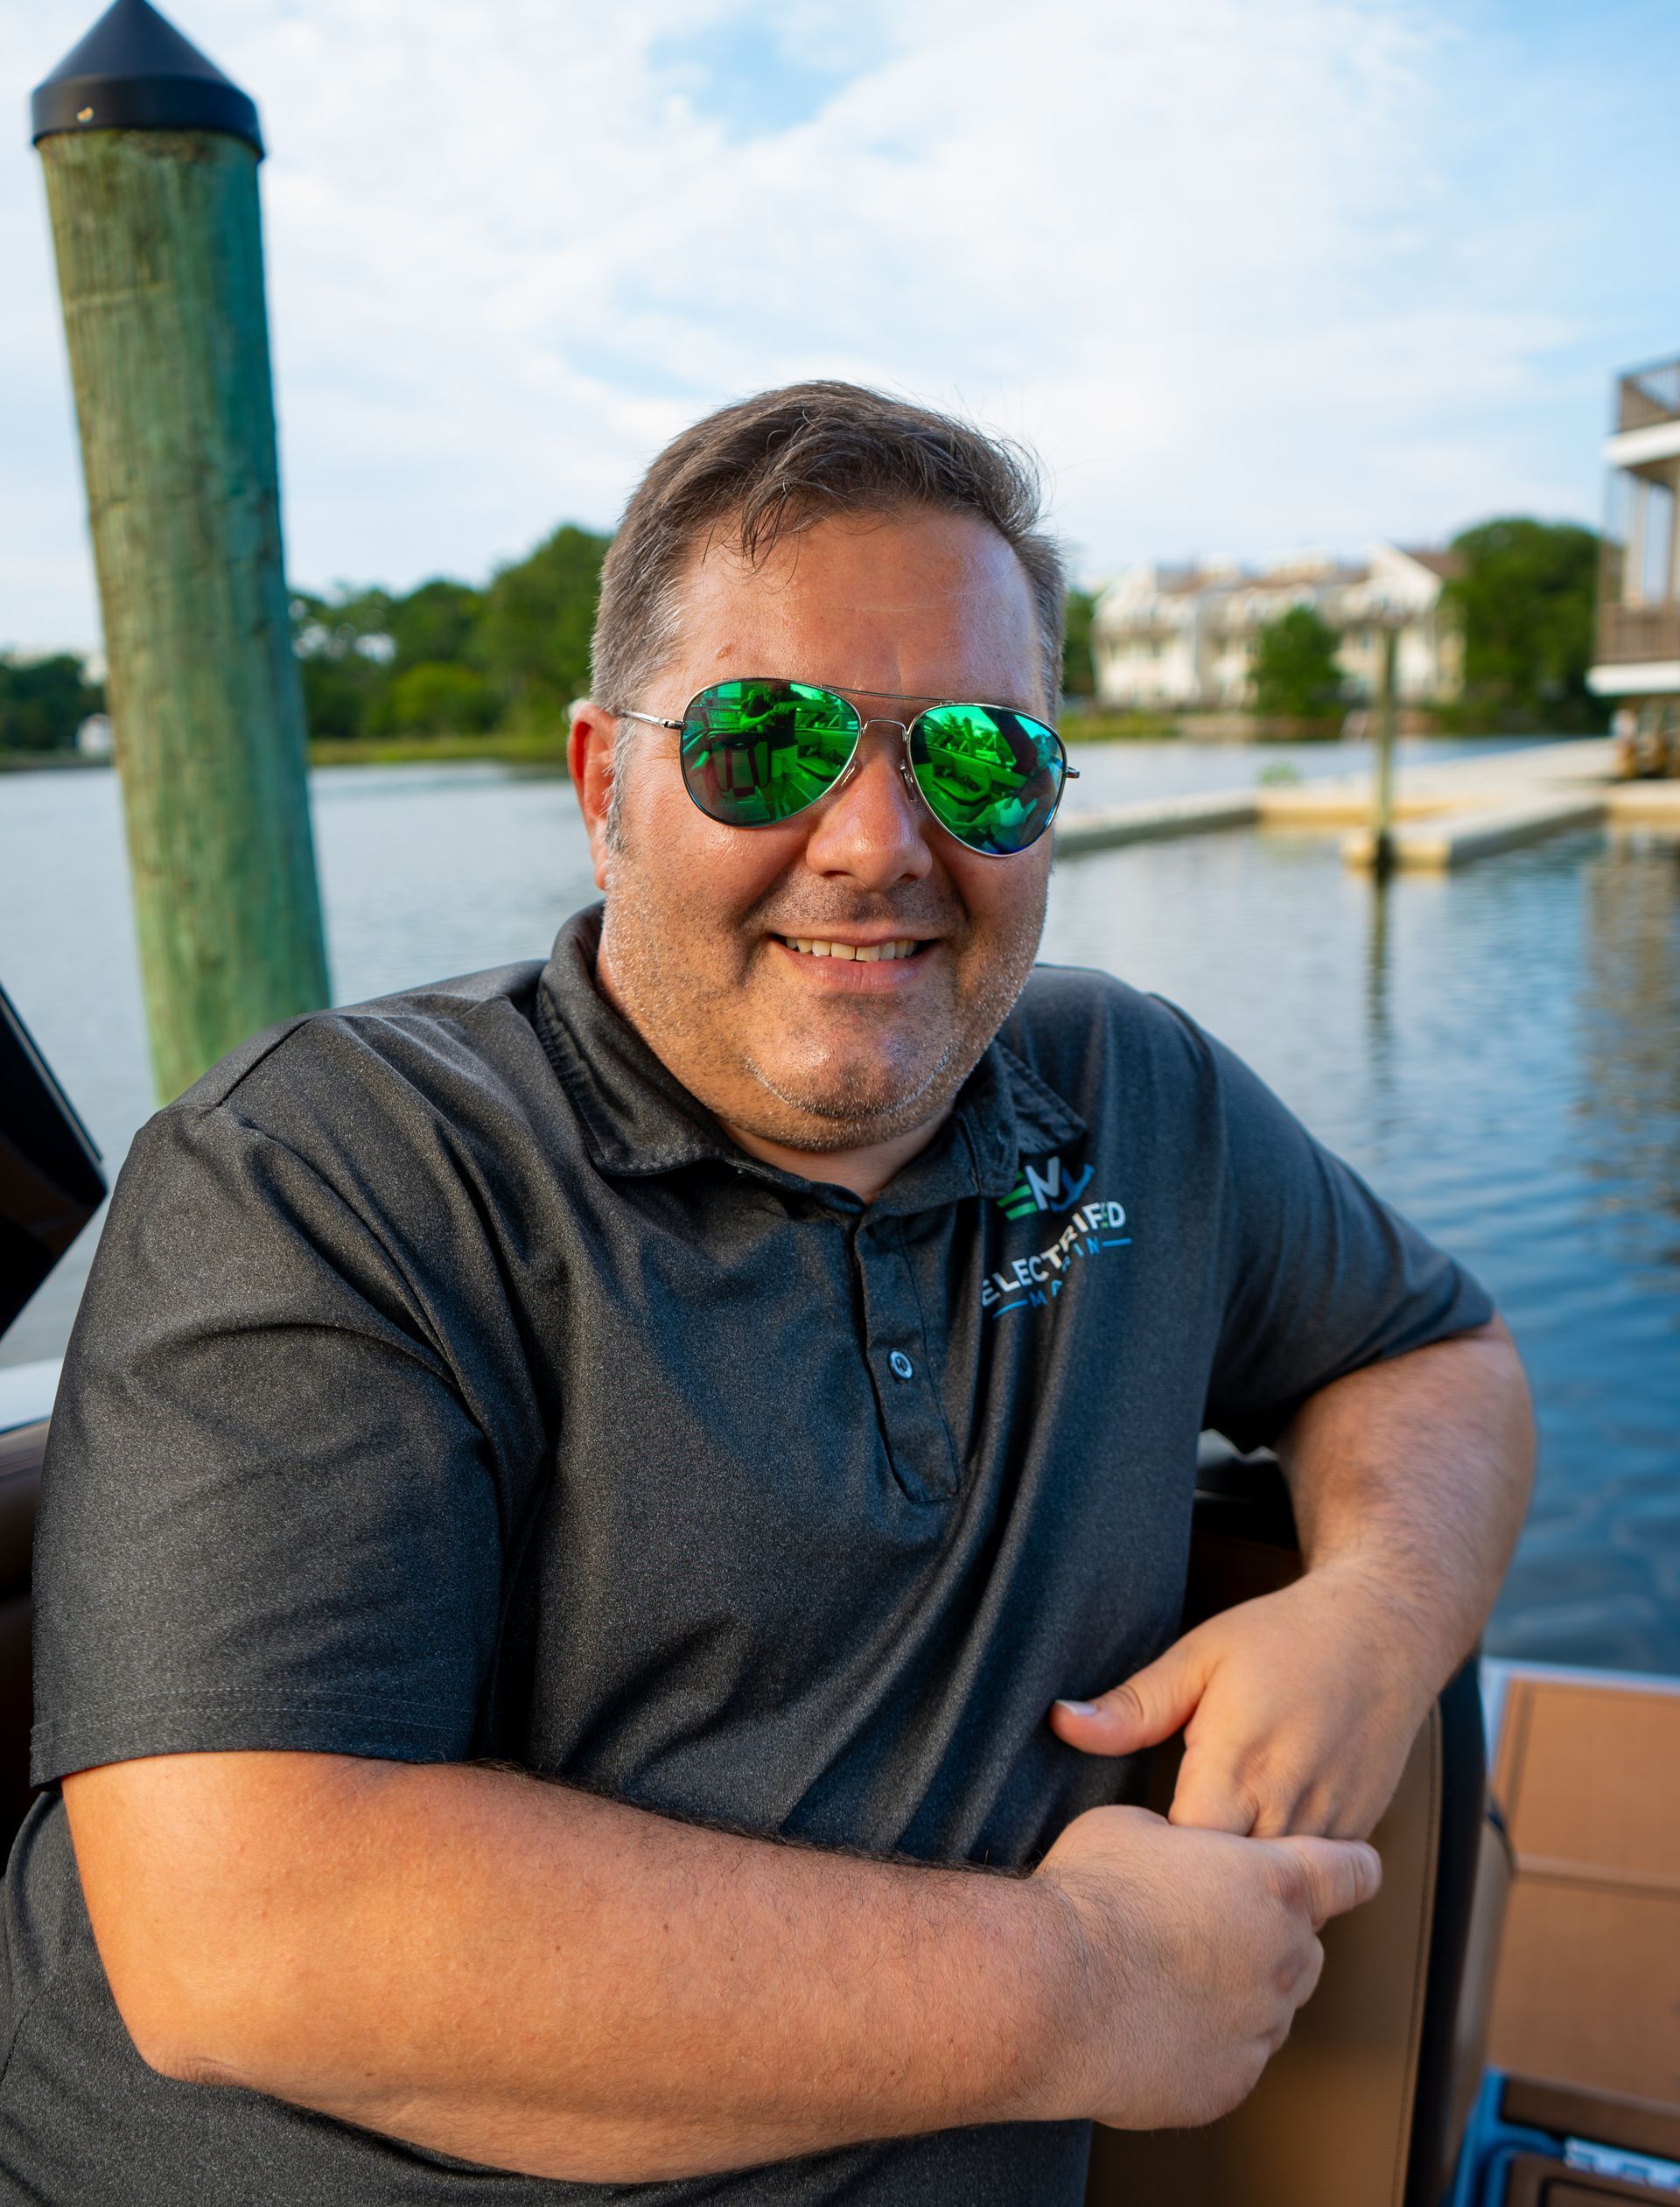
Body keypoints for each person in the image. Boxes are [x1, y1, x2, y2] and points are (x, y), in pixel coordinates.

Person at [3, 383, 1534, 2206]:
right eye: (769, 741)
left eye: (981, 757)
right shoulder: (328, 1173)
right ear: (602, 787)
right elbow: (248, 1926)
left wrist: (1375, 1605)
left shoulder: (1141, 1101)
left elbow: (1431, 1350)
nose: (879, 838)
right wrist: (1086, 1988)